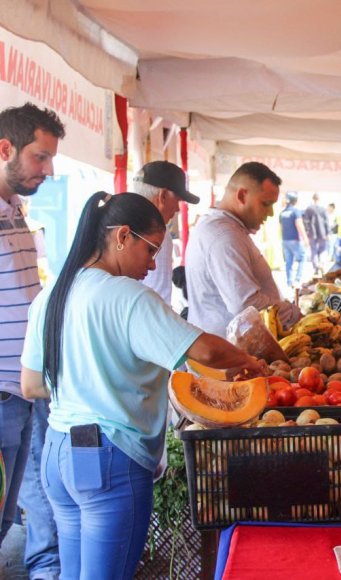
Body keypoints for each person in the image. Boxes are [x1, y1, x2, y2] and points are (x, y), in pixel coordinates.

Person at [18, 192, 264, 580]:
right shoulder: (127, 297)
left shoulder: (52, 293)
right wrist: (251, 361)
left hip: (58, 453)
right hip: (108, 458)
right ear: (122, 236)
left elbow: (31, 384)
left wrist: (89, 383)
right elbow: (205, 351)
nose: (152, 265)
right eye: (151, 250)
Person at [0, 103, 65, 580]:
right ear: (5, 149)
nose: (48, 170)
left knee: (10, 516)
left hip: (21, 388)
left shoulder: (16, 209)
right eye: (40, 158)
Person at [186, 161, 300, 336]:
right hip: (226, 353)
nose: (270, 213)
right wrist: (291, 314)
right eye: (265, 204)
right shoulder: (224, 236)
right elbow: (245, 304)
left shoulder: (227, 230)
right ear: (241, 196)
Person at [132, 160, 201, 304]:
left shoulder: (120, 224)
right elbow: (158, 297)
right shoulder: (158, 233)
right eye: (177, 200)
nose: (177, 209)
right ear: (163, 196)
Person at [278, 192, 309, 287]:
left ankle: (289, 281)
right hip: (295, 240)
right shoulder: (295, 211)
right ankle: (297, 280)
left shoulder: (282, 213)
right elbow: (299, 225)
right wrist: (305, 238)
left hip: (285, 240)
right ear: (295, 200)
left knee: (288, 262)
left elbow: (280, 227)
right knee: (302, 258)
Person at [303, 193, 330, 276]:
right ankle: (321, 264)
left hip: (312, 233)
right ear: (319, 199)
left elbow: (306, 222)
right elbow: (326, 222)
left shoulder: (308, 209)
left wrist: (307, 232)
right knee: (322, 250)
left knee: (313, 251)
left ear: (313, 198)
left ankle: (316, 267)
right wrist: (328, 233)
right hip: (322, 233)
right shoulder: (323, 209)